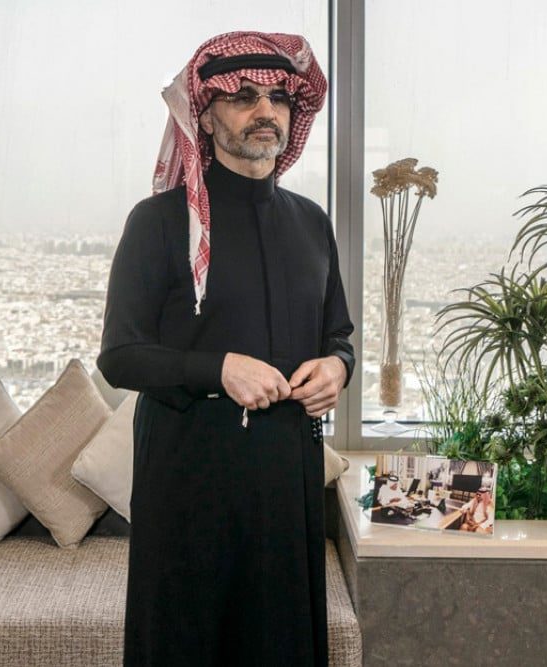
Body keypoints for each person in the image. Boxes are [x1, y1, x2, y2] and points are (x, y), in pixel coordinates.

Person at [96, 31, 356, 666]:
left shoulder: (312, 222)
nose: (265, 111)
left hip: (288, 481)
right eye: (243, 97)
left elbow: (339, 335)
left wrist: (337, 368)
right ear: (206, 116)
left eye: (278, 98)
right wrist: (219, 369)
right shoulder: (159, 222)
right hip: (189, 482)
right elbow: (120, 355)